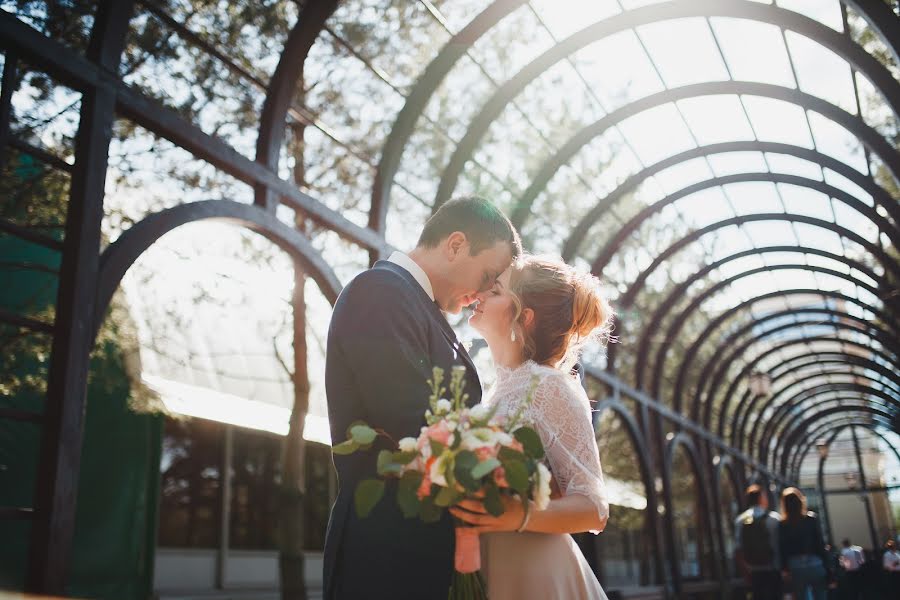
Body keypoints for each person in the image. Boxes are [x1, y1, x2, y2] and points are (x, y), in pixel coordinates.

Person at [323, 196, 520, 599]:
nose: (483, 293)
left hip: (418, 550)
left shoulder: (418, 304)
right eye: (488, 276)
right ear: (455, 245)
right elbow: (411, 421)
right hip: (386, 555)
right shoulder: (379, 292)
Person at [449, 255, 613, 599]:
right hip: (491, 568)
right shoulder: (495, 391)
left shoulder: (550, 386)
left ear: (523, 316)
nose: (478, 295)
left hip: (537, 574)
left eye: (494, 291)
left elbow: (594, 508)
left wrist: (517, 515)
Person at [778, 487, 827, 600]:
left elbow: (782, 548)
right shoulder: (811, 519)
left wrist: (784, 568)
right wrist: (827, 566)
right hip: (815, 563)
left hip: (795, 566)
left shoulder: (783, 524)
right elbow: (820, 544)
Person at [734, 484, 782, 600]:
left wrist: (745, 570)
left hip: (753, 569)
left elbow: (738, 548)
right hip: (773, 568)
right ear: (761, 498)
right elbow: (780, 544)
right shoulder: (774, 518)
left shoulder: (741, 520)